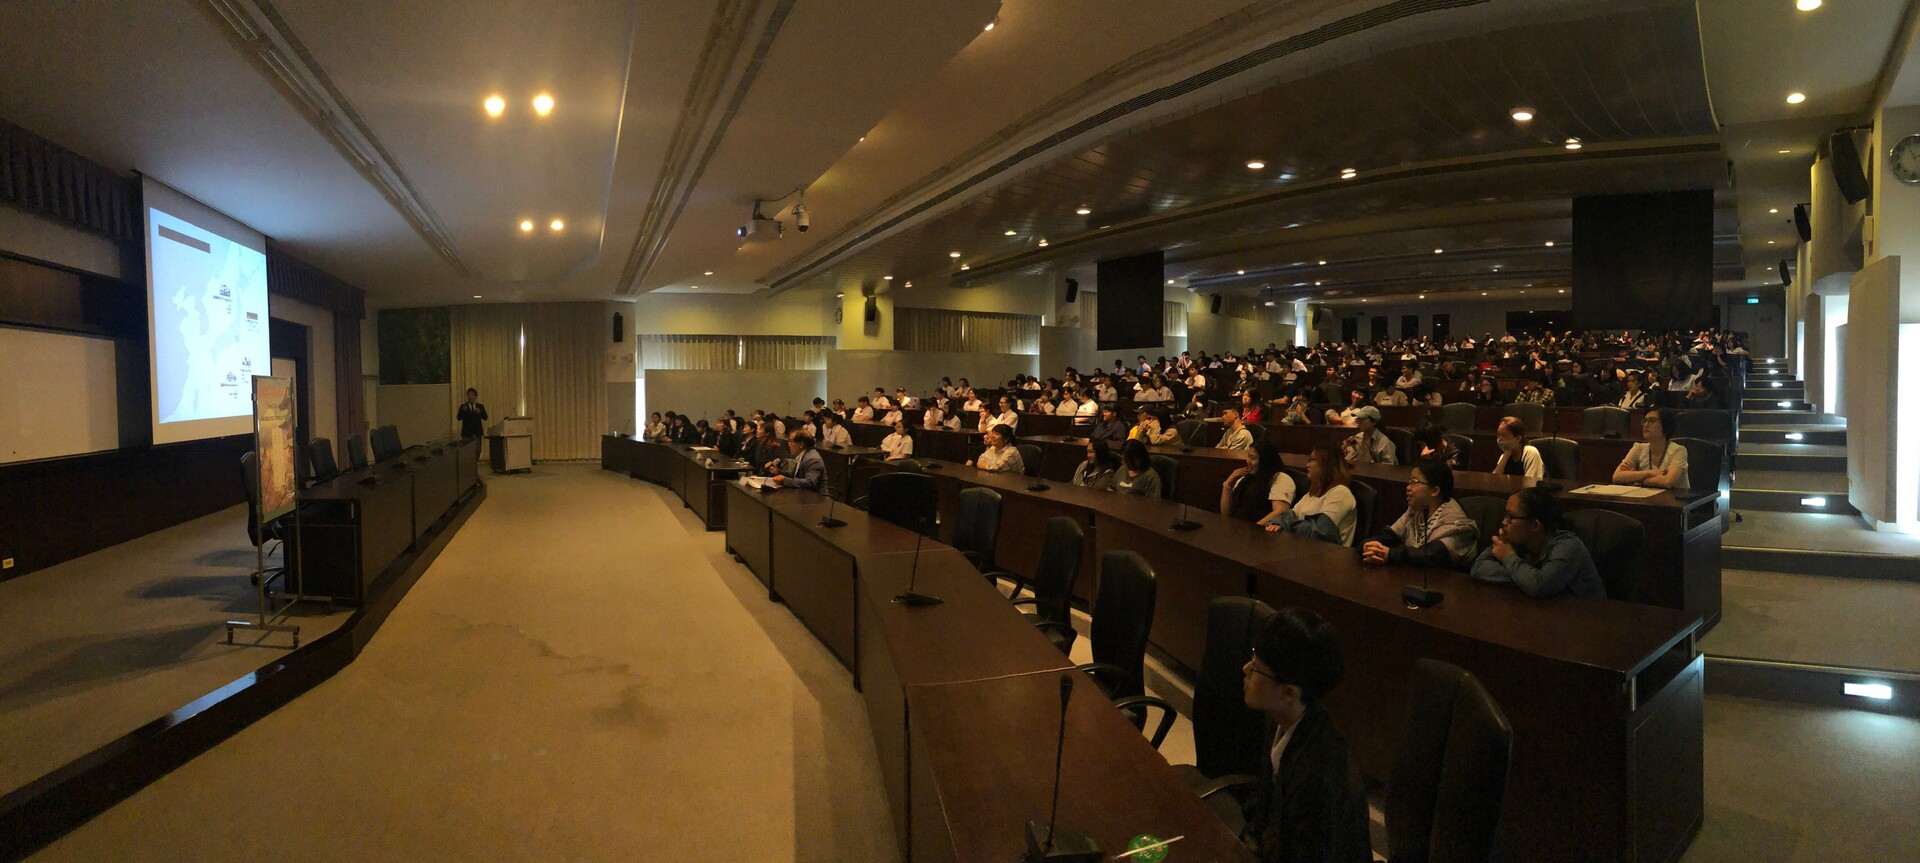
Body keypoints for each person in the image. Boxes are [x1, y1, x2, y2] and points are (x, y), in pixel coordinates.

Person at [1240, 608, 1372, 863]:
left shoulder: (1318, 776)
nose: (1245, 669)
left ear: (1288, 693)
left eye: (1256, 668)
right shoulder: (1284, 717)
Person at [1470, 487, 1605, 598]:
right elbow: (1478, 568)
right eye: (1505, 515)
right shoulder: (1517, 540)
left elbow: (1539, 586)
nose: (1504, 522)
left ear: (1535, 525)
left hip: (1587, 616)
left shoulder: (1568, 546)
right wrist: (1523, 578)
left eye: (1511, 517)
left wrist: (1508, 557)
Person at [1361, 459, 1477, 569]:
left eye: (1414, 482)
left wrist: (1390, 554)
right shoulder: (1415, 511)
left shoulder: (1456, 522)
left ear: (1434, 491)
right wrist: (1369, 546)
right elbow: (1388, 537)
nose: (1408, 488)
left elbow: (1430, 555)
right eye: (1409, 482)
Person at [1271, 446, 1357, 546]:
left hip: (1328, 553)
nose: (1307, 465)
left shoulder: (1341, 493)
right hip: (1303, 548)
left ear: (1326, 464)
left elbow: (1319, 533)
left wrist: (1288, 525)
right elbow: (1287, 516)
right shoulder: (1312, 493)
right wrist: (1279, 523)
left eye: (1312, 460)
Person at [1613, 408, 1689, 490]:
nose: (1646, 424)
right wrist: (1649, 473)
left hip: (1674, 497)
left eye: (1652, 421)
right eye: (1644, 421)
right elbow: (1617, 476)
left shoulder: (1679, 451)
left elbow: (1668, 482)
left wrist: (1636, 477)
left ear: (1665, 425)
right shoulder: (1638, 448)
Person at [1222, 442, 1295, 525]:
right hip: (1237, 528)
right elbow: (1226, 514)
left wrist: (1253, 529)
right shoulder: (1244, 479)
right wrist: (1228, 484)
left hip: (1259, 531)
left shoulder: (1280, 478)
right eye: (1248, 456)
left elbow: (1280, 511)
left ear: (1265, 460)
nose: (1248, 461)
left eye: (1252, 458)